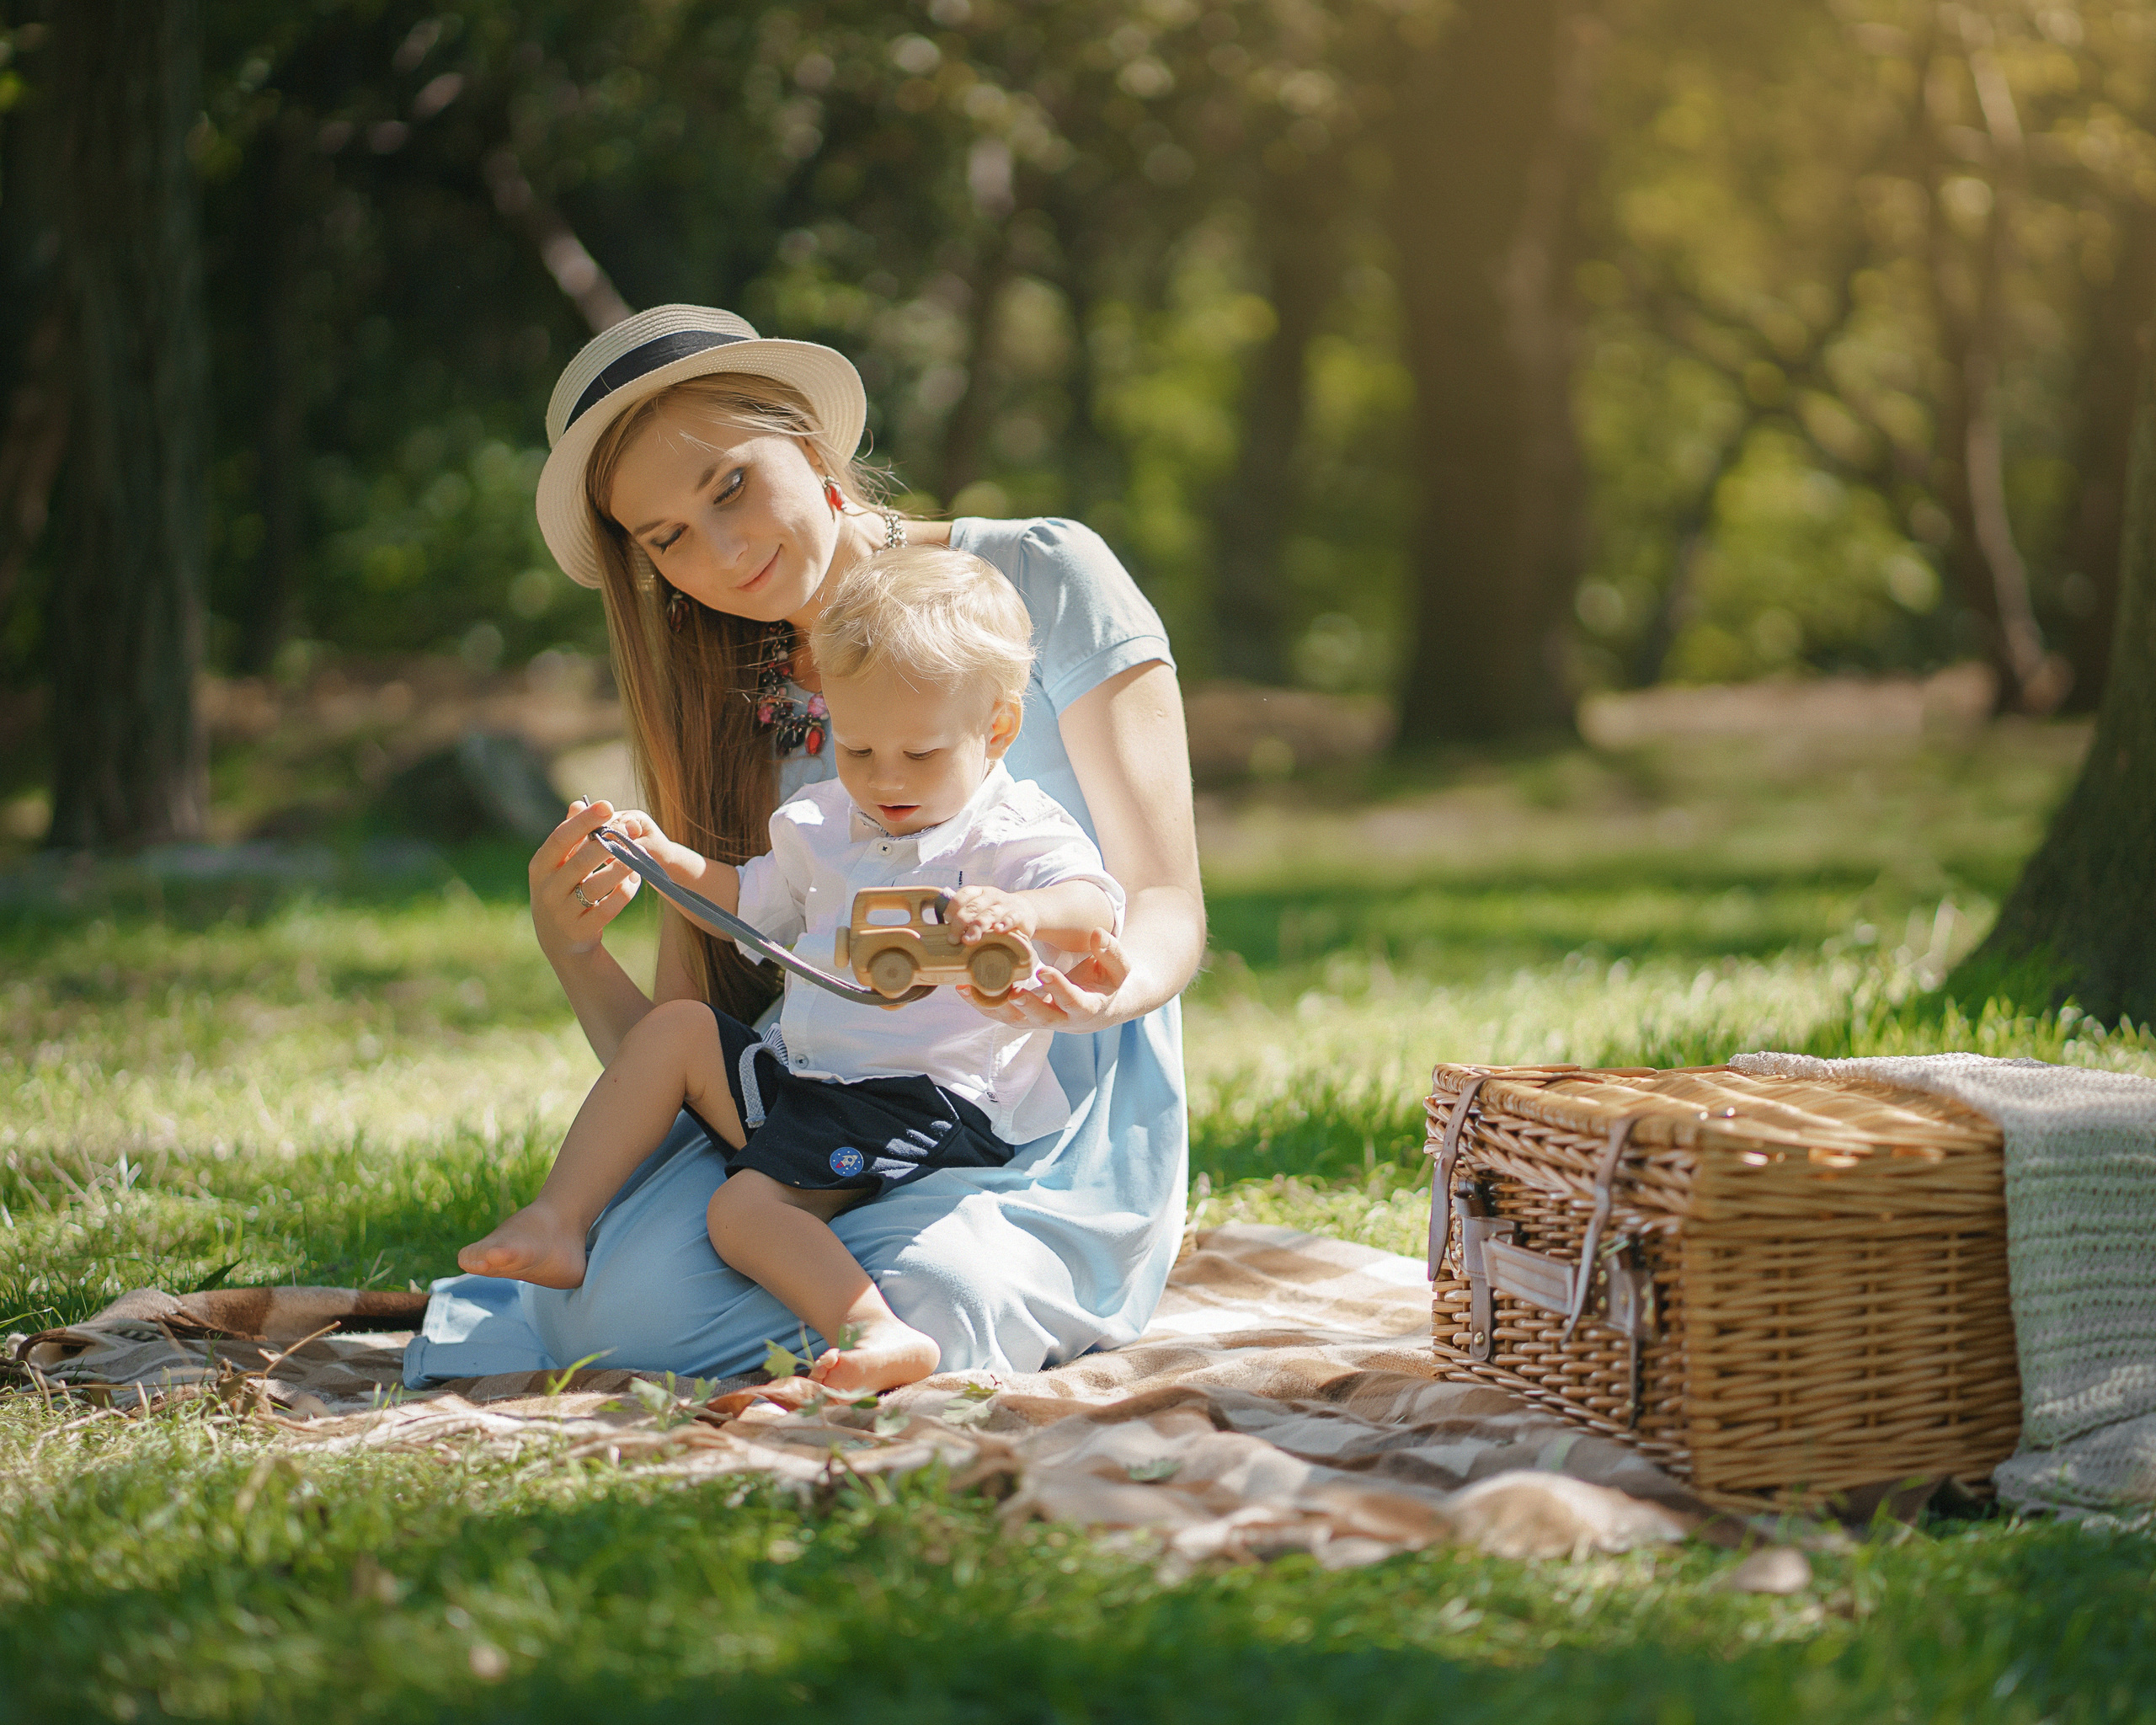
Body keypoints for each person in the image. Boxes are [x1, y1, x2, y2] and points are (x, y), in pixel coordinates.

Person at [403, 304, 1203, 1387]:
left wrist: (1103, 990)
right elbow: (694, 1045)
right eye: (667, 538)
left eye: (730, 483)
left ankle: (900, 1297)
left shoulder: (1043, 573)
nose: (723, 551)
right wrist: (577, 953)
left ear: (810, 444)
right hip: (825, 1092)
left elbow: (1162, 901)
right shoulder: (723, 697)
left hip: (1031, 1091)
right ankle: (846, 1294)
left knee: (945, 1289)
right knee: (607, 1315)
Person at [456, 547, 1122, 1392]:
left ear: (993, 729)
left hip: (921, 1096)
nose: (884, 778)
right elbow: (748, 902)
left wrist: (1023, 913)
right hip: (810, 1074)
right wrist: (669, 860)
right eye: (856, 746)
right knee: (680, 1029)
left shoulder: (1010, 831)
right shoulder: (823, 821)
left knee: (742, 1210)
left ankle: (874, 1328)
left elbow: (1094, 903)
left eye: (919, 755)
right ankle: (560, 1217)